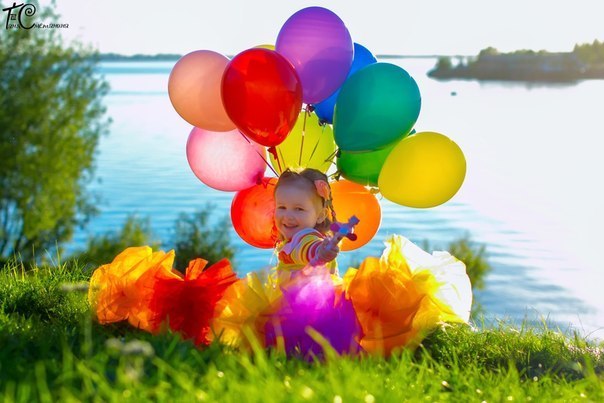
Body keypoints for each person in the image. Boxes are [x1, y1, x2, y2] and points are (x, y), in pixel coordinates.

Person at [272, 168, 340, 283]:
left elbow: (309, 249)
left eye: (299, 209)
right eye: (282, 207)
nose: (288, 216)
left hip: (305, 295)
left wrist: (320, 252)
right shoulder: (296, 238)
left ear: (320, 215)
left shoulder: (304, 239)